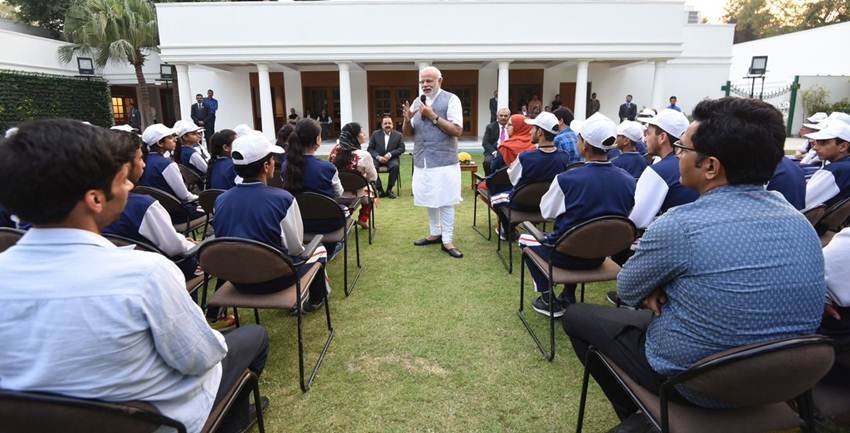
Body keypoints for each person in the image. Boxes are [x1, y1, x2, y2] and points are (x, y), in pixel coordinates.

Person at [564, 98, 825, 432]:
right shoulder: (800, 222)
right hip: (782, 379)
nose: (678, 156)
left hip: (699, 382)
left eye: (681, 149)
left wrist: (654, 287)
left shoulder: (681, 225)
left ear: (711, 166)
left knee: (577, 316)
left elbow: (628, 288)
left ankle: (645, 417)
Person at [0, 119, 269, 433]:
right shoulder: (145, 275)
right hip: (153, 422)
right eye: (119, 179)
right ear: (95, 198)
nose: (128, 185)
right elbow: (202, 357)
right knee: (252, 338)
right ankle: (228, 420)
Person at [523, 112, 635, 317]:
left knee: (526, 237)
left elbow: (547, 212)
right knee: (578, 235)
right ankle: (568, 293)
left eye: (578, 138)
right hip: (601, 255)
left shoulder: (567, 179)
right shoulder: (629, 180)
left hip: (565, 255)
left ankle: (548, 297)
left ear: (584, 145)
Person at [214, 131, 328, 313]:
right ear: (267, 165)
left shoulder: (220, 200)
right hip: (276, 280)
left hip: (236, 279)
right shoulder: (283, 199)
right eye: (273, 159)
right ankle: (316, 300)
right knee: (318, 248)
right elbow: (296, 249)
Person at [103, 130, 199, 280]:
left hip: (119, 274)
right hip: (161, 272)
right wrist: (188, 244)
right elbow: (173, 247)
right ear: (124, 168)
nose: (144, 164)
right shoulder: (144, 206)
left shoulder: (91, 208)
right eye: (140, 159)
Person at [402, 66, 464, 259]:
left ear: (440, 81)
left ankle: (447, 240)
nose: (425, 85)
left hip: (445, 161)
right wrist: (406, 120)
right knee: (430, 197)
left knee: (446, 200)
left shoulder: (451, 99)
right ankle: (435, 233)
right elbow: (408, 133)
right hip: (423, 160)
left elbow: (457, 130)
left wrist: (433, 117)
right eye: (422, 82)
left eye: (429, 81)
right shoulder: (416, 102)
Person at [494, 112, 571, 239]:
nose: (530, 132)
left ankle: (508, 231)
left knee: (495, 199)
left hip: (521, 203)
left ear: (540, 132)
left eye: (533, 129)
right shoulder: (564, 157)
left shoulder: (525, 157)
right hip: (549, 202)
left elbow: (513, 178)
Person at [628, 109, 699, 229]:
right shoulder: (695, 164)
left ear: (662, 137)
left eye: (648, 133)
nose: (645, 139)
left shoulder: (659, 171)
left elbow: (636, 221)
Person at [138, 123, 201, 219]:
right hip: (177, 213)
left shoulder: (143, 160)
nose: (175, 139)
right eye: (171, 138)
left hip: (157, 213)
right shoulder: (166, 164)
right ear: (160, 143)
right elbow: (184, 196)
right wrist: (200, 198)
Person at [282, 119, 344, 199]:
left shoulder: (286, 165)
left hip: (296, 210)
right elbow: (339, 193)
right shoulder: (329, 168)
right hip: (325, 210)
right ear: (317, 139)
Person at [331, 122, 377, 229]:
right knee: (371, 192)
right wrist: (362, 176)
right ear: (354, 136)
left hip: (337, 192)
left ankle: (346, 215)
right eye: (361, 132)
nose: (364, 134)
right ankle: (363, 219)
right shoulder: (364, 155)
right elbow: (373, 178)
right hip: (357, 192)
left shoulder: (334, 151)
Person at [804, 120, 850, 210]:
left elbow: (801, 201)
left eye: (823, 142)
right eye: (816, 142)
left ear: (843, 147)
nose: (815, 147)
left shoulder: (834, 171)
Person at [367, 115, 405, 198]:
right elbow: (370, 149)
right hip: (378, 158)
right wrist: (378, 157)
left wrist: (390, 154)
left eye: (389, 123)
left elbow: (402, 148)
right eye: (385, 123)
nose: (387, 125)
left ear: (392, 125)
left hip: (392, 158)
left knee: (395, 166)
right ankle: (379, 189)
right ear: (381, 125)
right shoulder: (375, 134)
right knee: (371, 167)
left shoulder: (398, 135)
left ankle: (389, 190)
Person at [481, 107, 511, 175]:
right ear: (497, 116)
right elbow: (485, 143)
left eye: (506, 116)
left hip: (508, 152)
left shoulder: (512, 127)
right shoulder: (490, 127)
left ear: (509, 116)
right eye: (501, 115)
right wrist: (494, 152)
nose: (503, 117)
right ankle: (488, 180)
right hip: (494, 151)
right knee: (487, 162)